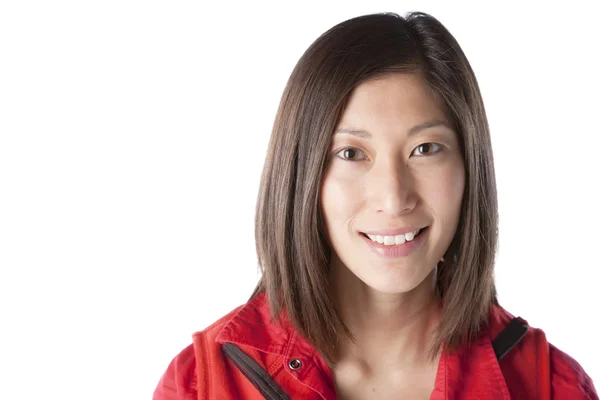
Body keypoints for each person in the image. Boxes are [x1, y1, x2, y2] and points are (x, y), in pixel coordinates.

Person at [153, 11, 598, 400]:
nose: (393, 196)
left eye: (426, 149)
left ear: (470, 166)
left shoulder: (550, 386)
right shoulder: (200, 385)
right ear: (301, 175)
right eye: (351, 154)